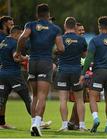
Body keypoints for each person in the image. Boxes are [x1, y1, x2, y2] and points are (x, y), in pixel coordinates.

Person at [14, 3, 64, 136]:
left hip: (32, 62)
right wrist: (53, 50)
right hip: (45, 62)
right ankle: (36, 124)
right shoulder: (55, 28)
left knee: (34, 95)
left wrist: (18, 52)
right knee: (42, 95)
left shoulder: (30, 25)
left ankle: (32, 124)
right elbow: (61, 48)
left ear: (37, 15)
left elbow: (23, 37)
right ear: (48, 15)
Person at [79, 16, 107, 133]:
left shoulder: (95, 40)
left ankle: (96, 119)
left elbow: (89, 58)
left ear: (99, 26)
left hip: (99, 71)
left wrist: (83, 73)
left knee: (92, 96)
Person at [54, 17, 87, 132]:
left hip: (62, 70)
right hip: (76, 71)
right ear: (75, 27)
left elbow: (55, 51)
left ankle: (64, 126)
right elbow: (84, 55)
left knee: (63, 99)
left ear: (65, 25)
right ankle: (82, 126)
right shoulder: (81, 39)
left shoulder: (60, 38)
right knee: (79, 100)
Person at [0, 26, 31, 129]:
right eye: (21, 35)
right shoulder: (14, 43)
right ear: (16, 34)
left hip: (2, 74)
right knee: (27, 98)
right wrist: (27, 58)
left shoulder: (3, 41)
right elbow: (16, 57)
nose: (22, 37)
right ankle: (38, 121)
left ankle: (1, 123)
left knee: (1, 100)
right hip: (14, 75)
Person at [67, 22, 86, 130]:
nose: (82, 32)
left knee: (80, 98)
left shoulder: (82, 42)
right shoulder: (69, 42)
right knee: (79, 98)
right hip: (71, 73)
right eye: (80, 30)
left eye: (83, 30)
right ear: (74, 30)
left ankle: (73, 122)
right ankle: (72, 122)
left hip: (79, 72)